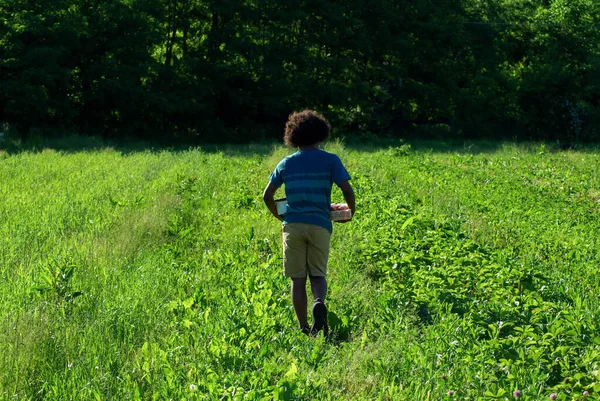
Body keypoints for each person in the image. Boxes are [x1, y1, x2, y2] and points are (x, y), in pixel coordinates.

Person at [262, 110, 356, 335]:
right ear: (321, 135)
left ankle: (304, 327)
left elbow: (267, 195)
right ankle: (319, 302)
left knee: (297, 278)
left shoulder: (286, 163)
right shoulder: (331, 160)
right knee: (318, 274)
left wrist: (280, 216)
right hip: (320, 224)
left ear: (293, 136)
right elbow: (347, 190)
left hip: (293, 225)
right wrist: (350, 212)